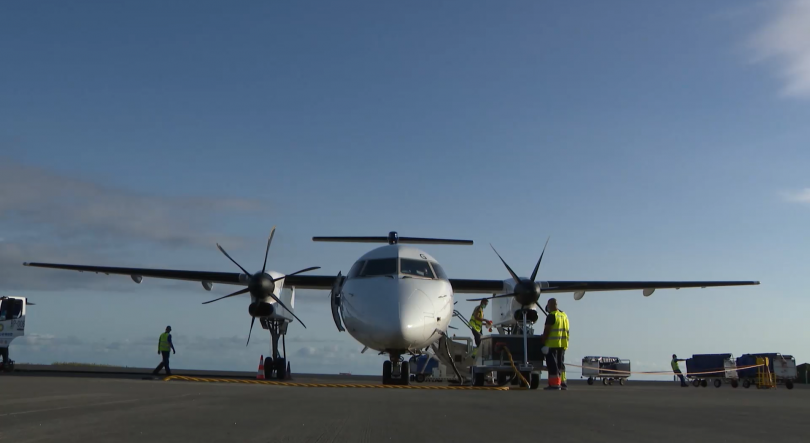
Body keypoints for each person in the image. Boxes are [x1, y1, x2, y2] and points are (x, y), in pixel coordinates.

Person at [540, 298, 569, 390]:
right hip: (562, 344)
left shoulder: (551, 316)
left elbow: (547, 330)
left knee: (553, 365)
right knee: (560, 364)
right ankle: (563, 383)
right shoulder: (563, 315)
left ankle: (555, 384)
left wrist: (543, 341)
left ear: (550, 305)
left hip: (552, 345)